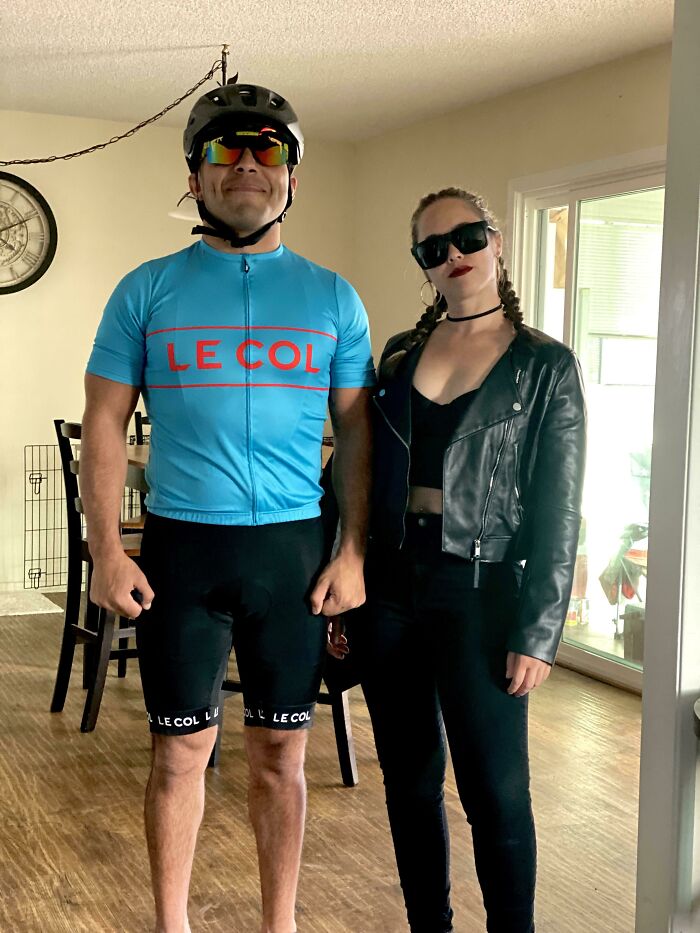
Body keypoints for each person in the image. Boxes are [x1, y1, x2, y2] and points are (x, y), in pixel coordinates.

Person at [80, 80, 374, 933]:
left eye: (267, 148)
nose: (246, 163)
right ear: (194, 175)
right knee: (178, 755)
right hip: (182, 549)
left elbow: (353, 433)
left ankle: (278, 923)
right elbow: (104, 420)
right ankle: (171, 924)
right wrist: (106, 547)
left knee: (283, 755)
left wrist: (352, 549)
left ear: (292, 176)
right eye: (224, 148)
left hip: (293, 556)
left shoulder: (332, 297)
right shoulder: (146, 290)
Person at [357, 187, 586, 933]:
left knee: (494, 791)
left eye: (467, 237)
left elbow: (559, 506)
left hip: (482, 593)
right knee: (410, 782)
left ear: (497, 241)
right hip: (389, 584)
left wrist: (540, 629)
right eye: (434, 248)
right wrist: (345, 571)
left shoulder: (544, 365)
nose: (454, 255)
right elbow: (357, 474)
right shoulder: (397, 354)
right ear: (423, 266)